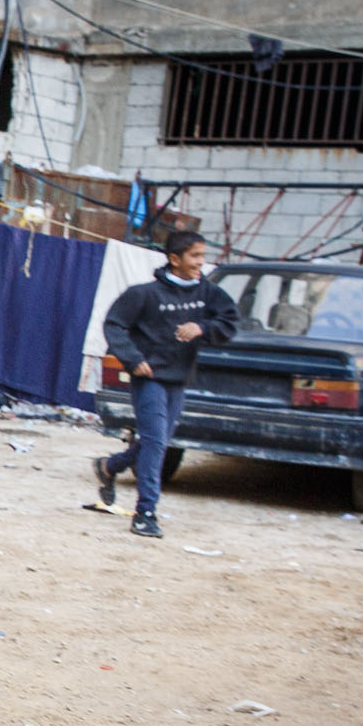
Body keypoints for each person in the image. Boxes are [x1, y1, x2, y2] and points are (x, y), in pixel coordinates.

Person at [93, 230, 238, 539]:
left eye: (202, 255)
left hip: (179, 379)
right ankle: (145, 512)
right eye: (195, 256)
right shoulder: (144, 294)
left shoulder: (208, 293)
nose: (202, 262)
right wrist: (133, 359)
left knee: (154, 443)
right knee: (155, 441)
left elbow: (229, 323)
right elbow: (115, 324)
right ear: (174, 259)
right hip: (149, 379)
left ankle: (110, 466)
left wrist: (201, 327)